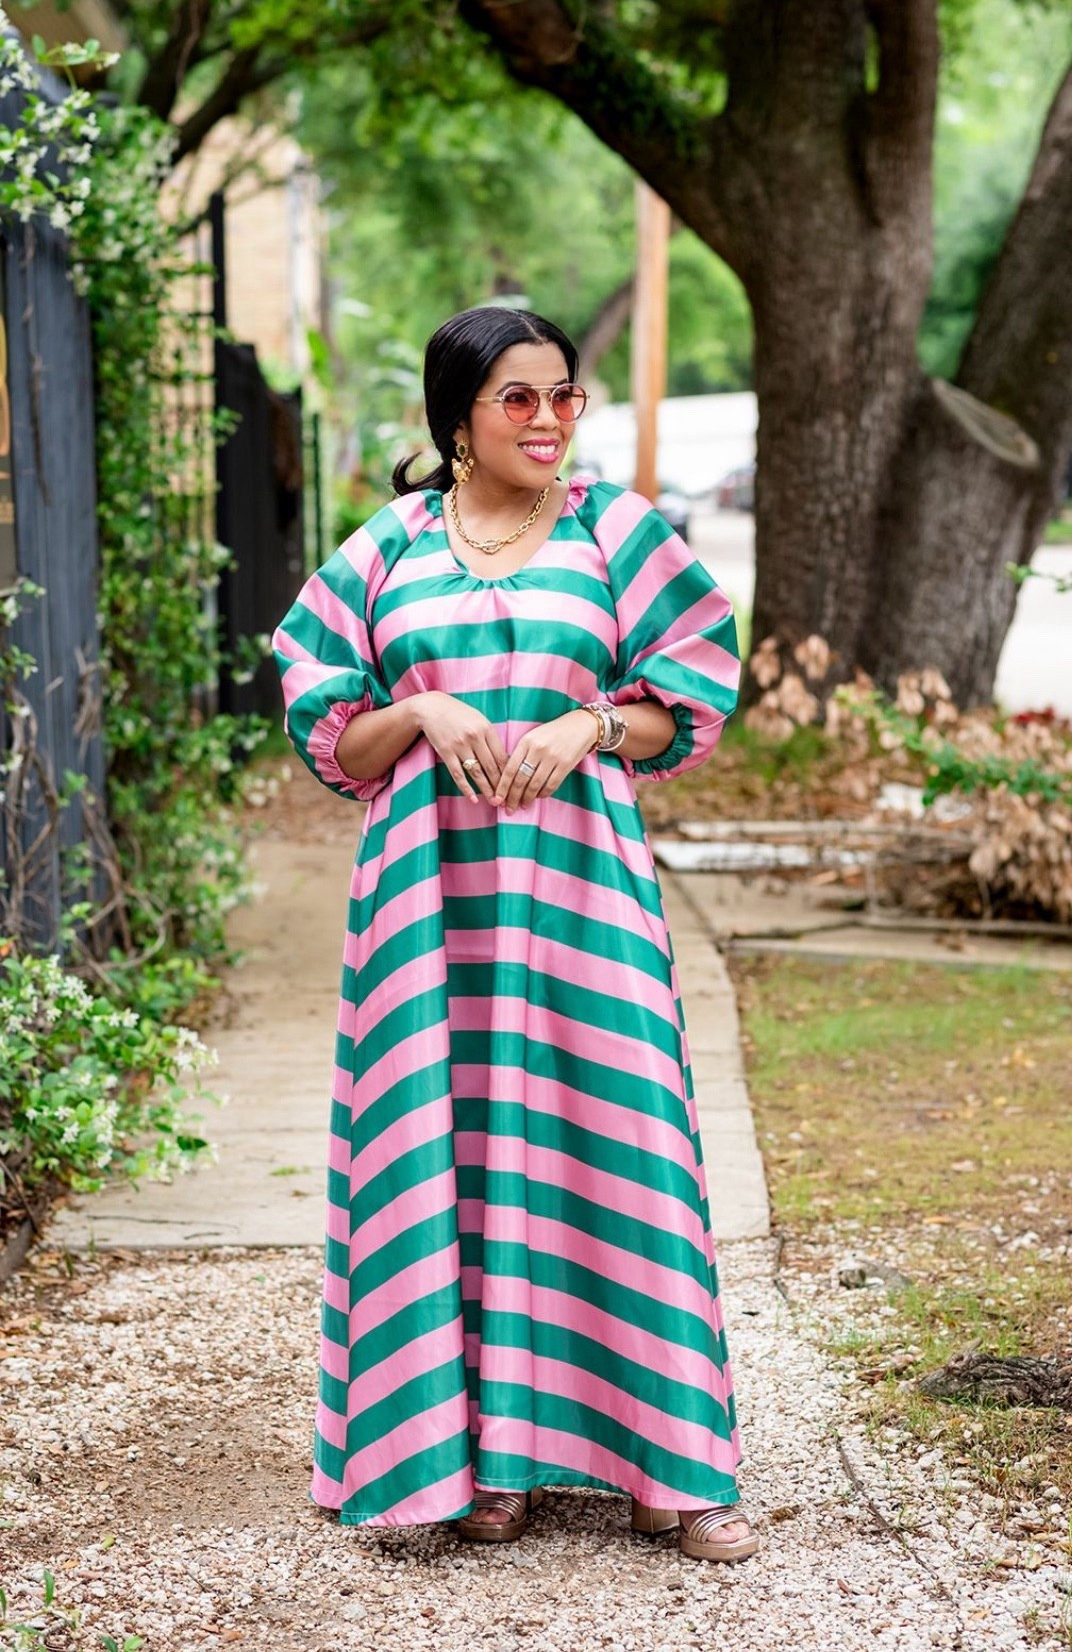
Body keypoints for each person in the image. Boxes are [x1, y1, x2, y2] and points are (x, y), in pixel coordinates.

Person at [272, 306, 758, 1563]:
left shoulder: (616, 533)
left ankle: (669, 1471)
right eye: (517, 400)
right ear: (456, 421)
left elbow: (687, 700)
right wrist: (424, 705)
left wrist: (590, 725)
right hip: (428, 912)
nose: (548, 421)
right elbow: (331, 733)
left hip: (585, 899)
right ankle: (473, 1467)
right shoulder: (384, 552)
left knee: (619, 1137)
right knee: (452, 1155)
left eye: (563, 397)